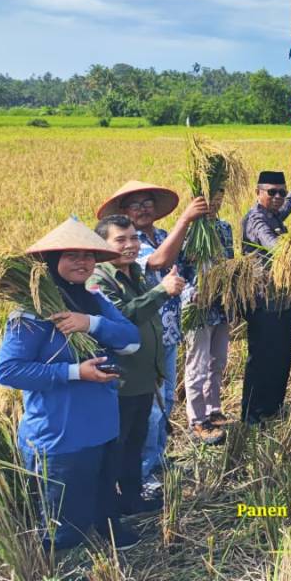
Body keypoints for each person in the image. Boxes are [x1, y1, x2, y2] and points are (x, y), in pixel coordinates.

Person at [0, 218, 141, 551]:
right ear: (49, 261)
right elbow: (6, 371)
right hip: (60, 437)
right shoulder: (31, 313)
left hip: (103, 425)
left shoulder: (94, 302)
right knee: (63, 526)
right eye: (71, 255)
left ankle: (108, 527)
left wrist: (90, 323)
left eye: (88, 255)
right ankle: (64, 558)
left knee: (104, 494)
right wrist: (74, 372)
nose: (82, 262)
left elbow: (132, 342)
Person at [97, 180, 206, 489]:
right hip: (137, 348)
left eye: (147, 203)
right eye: (135, 205)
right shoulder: (126, 253)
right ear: (123, 212)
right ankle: (142, 475)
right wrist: (185, 219)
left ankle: (156, 459)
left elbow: (181, 267)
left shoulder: (159, 235)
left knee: (165, 403)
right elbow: (159, 263)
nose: (143, 209)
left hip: (167, 333)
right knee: (148, 413)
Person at [88, 215, 178, 514]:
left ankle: (132, 498)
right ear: (103, 244)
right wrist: (162, 290)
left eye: (133, 239)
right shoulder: (99, 279)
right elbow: (124, 316)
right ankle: (109, 508)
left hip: (143, 378)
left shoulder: (135, 273)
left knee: (134, 444)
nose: (130, 245)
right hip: (120, 382)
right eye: (120, 240)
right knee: (117, 448)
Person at [241, 170, 291, 424]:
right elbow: (273, 245)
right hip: (263, 301)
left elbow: (285, 207)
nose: (277, 197)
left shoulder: (274, 213)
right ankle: (252, 413)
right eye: (271, 192)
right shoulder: (256, 219)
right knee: (263, 357)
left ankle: (273, 407)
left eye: (281, 191)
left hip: (285, 300)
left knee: (282, 354)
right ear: (258, 193)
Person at [180, 188, 234, 444]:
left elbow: (231, 264)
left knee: (218, 362)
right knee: (198, 365)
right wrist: (191, 293)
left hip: (221, 307)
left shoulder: (225, 228)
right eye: (210, 196)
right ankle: (197, 418)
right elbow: (176, 269)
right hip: (198, 309)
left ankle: (213, 408)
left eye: (219, 196)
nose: (215, 202)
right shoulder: (188, 231)